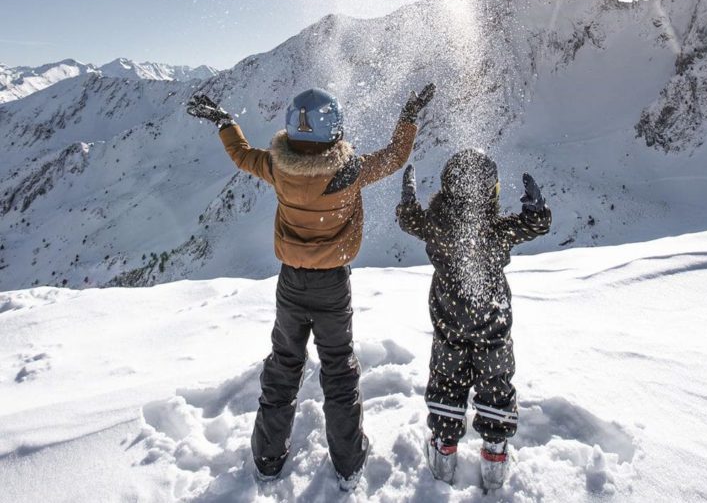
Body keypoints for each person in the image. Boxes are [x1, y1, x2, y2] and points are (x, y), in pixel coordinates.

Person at [186, 84, 435, 491]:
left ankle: (268, 460)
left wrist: (224, 122)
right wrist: (408, 116)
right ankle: (348, 462)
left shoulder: (278, 167)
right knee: (338, 370)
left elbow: (242, 155)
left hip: (291, 283)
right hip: (332, 285)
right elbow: (394, 156)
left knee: (284, 367)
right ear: (333, 130)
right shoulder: (349, 171)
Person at [396, 149, 551, 490]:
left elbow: (409, 221)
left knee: (447, 382)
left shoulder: (436, 225)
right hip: (492, 326)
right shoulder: (496, 229)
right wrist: (536, 209)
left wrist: (408, 200)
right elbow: (534, 226)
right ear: (491, 192)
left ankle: (444, 451)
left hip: (449, 326)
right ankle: (494, 453)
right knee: (495, 381)